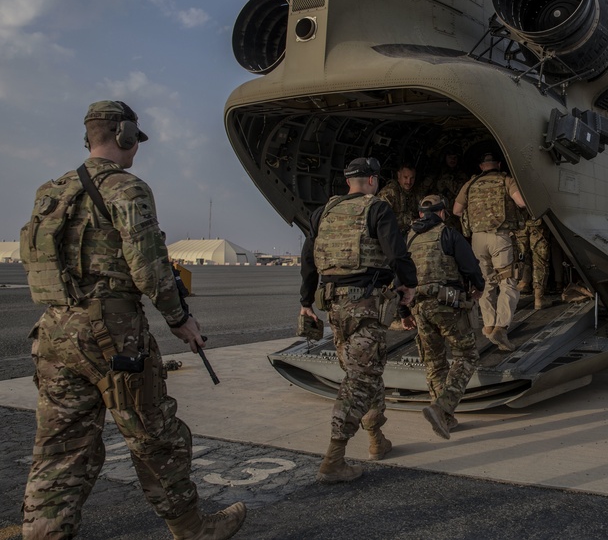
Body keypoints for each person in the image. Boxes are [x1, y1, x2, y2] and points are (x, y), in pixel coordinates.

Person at [19, 101, 246, 539]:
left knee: (60, 450)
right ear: (123, 136)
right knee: (155, 438)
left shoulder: (50, 191)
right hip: (113, 335)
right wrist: (181, 319)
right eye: (133, 141)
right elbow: (149, 269)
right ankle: (192, 528)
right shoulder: (127, 188)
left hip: (54, 330)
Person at [299, 157, 417, 482]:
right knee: (360, 380)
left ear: (348, 181)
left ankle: (377, 440)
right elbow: (397, 254)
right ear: (373, 180)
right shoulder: (377, 209)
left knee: (364, 371)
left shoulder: (322, 212)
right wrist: (408, 286)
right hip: (365, 305)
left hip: (333, 307)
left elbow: (308, 260)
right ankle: (334, 460)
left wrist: (305, 302)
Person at [400, 195, 485, 440]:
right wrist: (479, 287)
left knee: (435, 362)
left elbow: (399, 277)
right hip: (447, 304)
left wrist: (404, 312)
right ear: (442, 213)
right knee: (467, 355)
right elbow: (470, 266)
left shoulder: (408, 239)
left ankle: (445, 418)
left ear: (420, 214)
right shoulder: (448, 235)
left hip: (419, 306)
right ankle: (442, 407)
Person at [453, 152, 526, 351]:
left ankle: (488, 324)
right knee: (508, 281)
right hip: (499, 237)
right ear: (499, 164)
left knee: (484, 281)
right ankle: (501, 327)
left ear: (481, 166)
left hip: (477, 239)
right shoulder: (506, 180)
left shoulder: (470, 184)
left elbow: (456, 210)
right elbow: (521, 202)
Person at [515, 215, 553, 309]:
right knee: (539, 259)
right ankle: (538, 297)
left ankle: (523, 283)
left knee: (522, 255)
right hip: (536, 221)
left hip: (520, 221)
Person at [378, 163, 420, 235]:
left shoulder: (415, 192)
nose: (409, 182)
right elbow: (380, 218)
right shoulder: (389, 192)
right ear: (399, 175)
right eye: (405, 177)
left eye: (412, 178)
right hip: (393, 235)